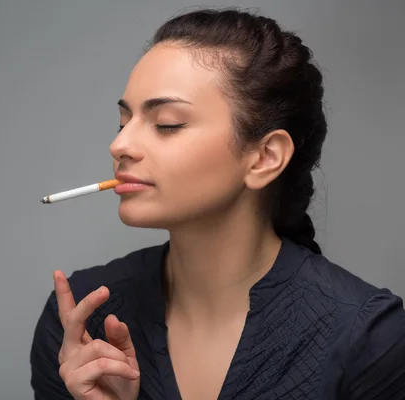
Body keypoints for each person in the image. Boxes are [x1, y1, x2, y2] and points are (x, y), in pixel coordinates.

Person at [29, 7, 405, 400]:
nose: (120, 145)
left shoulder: (368, 336)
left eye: (167, 123)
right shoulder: (81, 321)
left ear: (265, 157)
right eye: (125, 123)